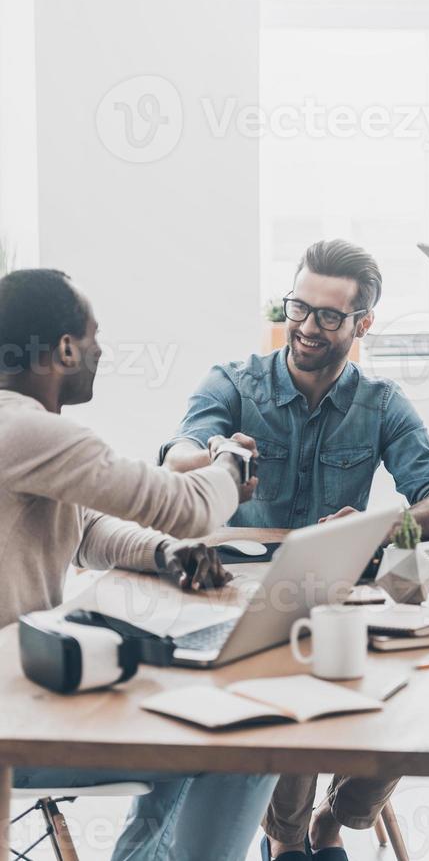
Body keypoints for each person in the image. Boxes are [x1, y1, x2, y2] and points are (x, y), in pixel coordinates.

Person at [162, 238, 429, 861]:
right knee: (294, 670)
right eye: (298, 307)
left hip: (337, 592)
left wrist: (381, 525)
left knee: (428, 687)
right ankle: (289, 841)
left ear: (363, 324)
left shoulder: (381, 405)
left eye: (328, 316)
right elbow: (175, 457)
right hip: (238, 599)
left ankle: (337, 818)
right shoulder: (235, 382)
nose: (306, 327)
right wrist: (220, 455)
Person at [0, 268, 277, 861]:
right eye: (95, 336)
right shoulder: (28, 430)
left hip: (28, 685)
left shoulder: (17, 428)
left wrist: (163, 553)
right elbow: (187, 505)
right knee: (255, 736)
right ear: (67, 348)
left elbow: (83, 526)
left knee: (195, 706)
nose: (103, 350)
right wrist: (229, 464)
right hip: (16, 718)